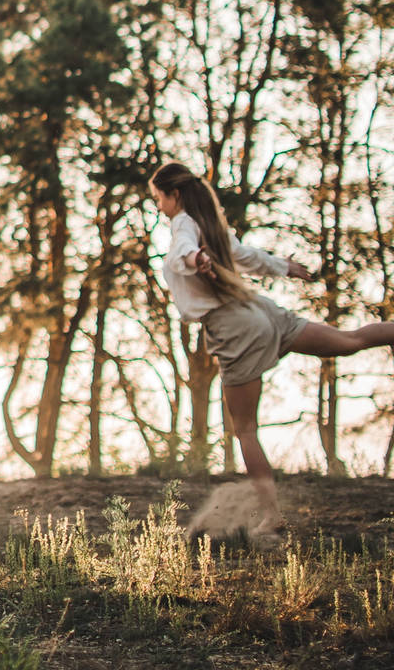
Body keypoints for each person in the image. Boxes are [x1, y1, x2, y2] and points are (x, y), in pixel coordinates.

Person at [149, 160, 394, 533]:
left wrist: (195, 259)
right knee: (349, 341)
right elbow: (245, 255)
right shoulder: (213, 226)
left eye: (158, 198)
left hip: (235, 328)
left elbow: (182, 250)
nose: (157, 206)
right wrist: (284, 267)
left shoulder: (182, 223)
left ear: (175, 195)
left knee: (244, 428)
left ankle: (272, 516)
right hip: (259, 310)